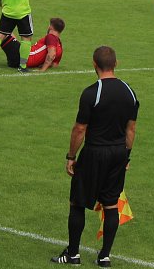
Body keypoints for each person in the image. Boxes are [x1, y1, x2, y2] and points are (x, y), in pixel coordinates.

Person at [51, 46, 139, 268]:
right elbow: (131, 129)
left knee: (78, 202)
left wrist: (71, 156)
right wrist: (126, 157)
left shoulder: (92, 92)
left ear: (94, 64)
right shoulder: (130, 92)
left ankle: (73, 255)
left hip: (94, 153)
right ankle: (105, 256)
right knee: (111, 205)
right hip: (118, 152)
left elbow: (80, 129)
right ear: (116, 64)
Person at [0, 0, 64, 71]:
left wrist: (42, 69)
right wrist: (39, 63)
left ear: (51, 27)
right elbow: (54, 64)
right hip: (20, 58)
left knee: (1, 31)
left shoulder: (51, 37)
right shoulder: (60, 47)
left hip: (22, 57)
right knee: (5, 34)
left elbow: (51, 54)